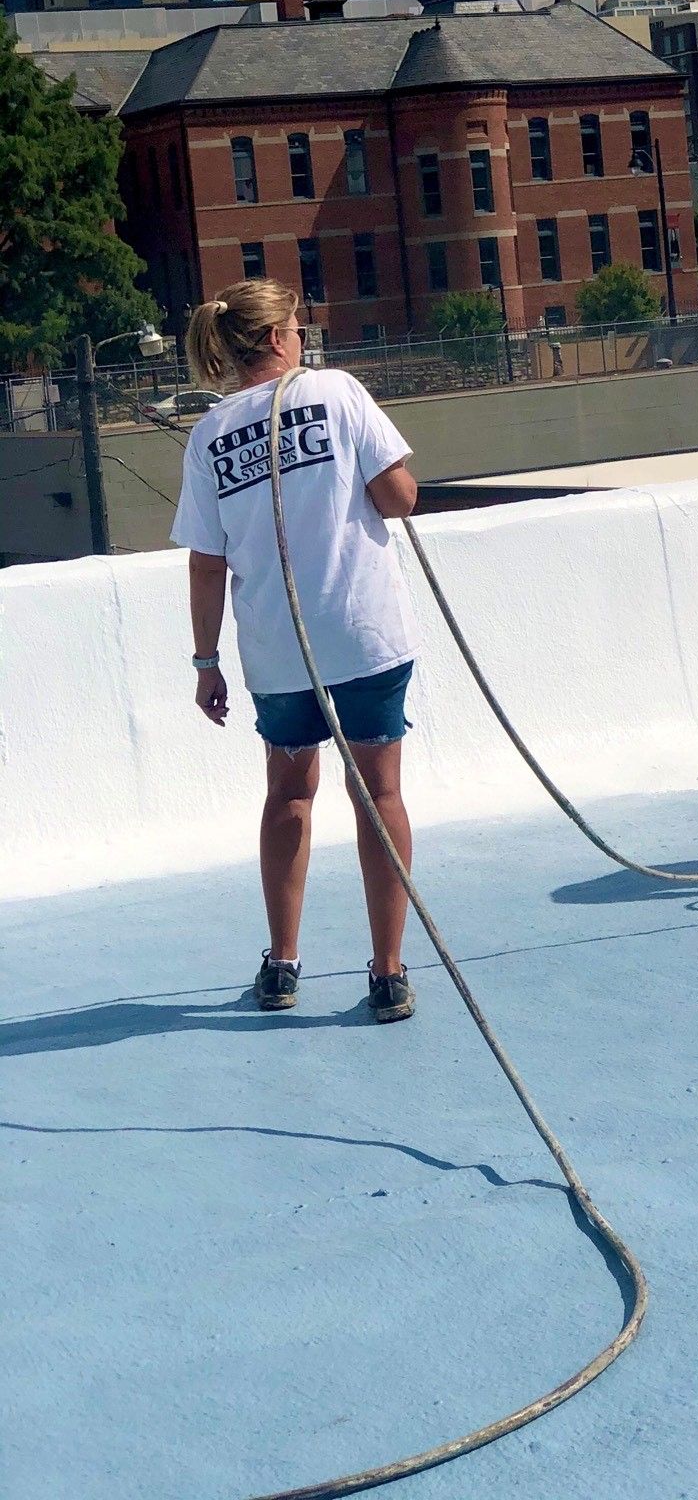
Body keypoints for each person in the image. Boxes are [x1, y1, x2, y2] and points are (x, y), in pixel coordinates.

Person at [171, 280, 422, 1020]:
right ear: (279, 336)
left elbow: (206, 560)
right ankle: (388, 973)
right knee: (378, 795)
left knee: (288, 795)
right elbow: (400, 496)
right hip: (363, 634)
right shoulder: (338, 393)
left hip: (278, 654)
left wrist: (205, 661)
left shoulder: (210, 435)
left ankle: (282, 966)